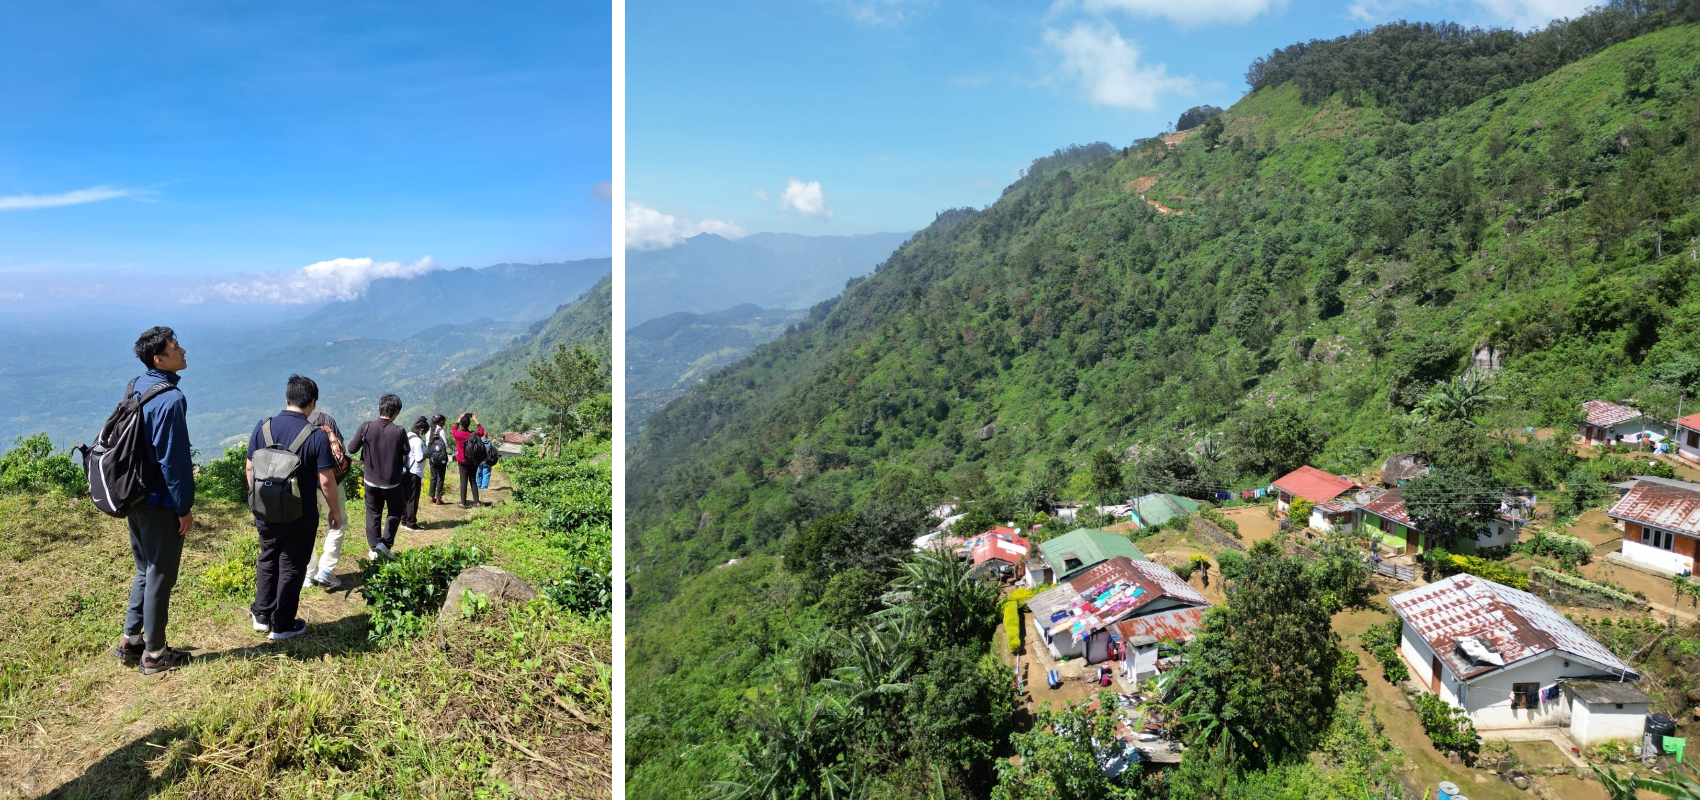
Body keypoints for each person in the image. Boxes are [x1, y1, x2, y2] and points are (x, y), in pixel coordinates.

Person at [114, 327, 196, 675]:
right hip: (160, 500)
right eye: (176, 348)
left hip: (134, 494)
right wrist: (184, 507)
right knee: (160, 574)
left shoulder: (137, 385)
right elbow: (173, 461)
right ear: (159, 358)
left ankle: (131, 642)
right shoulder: (171, 399)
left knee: (145, 569)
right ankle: (156, 654)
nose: (184, 351)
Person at [247, 375, 342, 641]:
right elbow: (325, 480)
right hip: (301, 513)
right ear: (312, 403)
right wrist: (334, 511)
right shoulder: (316, 436)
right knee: (291, 564)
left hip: (264, 510)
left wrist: (259, 500)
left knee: (268, 557)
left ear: (286, 399)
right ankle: (282, 624)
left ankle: (261, 615)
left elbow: (250, 468)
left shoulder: (262, 427)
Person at [347, 394, 411, 560]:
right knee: (396, 510)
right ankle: (385, 544)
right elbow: (407, 451)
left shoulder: (366, 427)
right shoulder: (399, 431)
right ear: (396, 411)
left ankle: (375, 548)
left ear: (380, 408)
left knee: (373, 513)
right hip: (392, 482)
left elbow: (352, 449)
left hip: (370, 480)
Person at [302, 407, 352, 590]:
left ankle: (308, 574)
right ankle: (325, 570)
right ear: (312, 401)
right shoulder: (325, 419)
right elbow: (341, 450)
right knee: (338, 521)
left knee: (307, 527)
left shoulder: (294, 423)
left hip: (304, 484)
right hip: (329, 481)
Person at [453, 412, 485, 508]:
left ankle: (463, 503)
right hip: (472, 461)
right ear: (469, 424)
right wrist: (476, 420)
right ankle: (477, 502)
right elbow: (482, 431)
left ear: (462, 424)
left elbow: (453, 429)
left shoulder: (458, 435)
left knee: (463, 481)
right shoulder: (473, 434)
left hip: (462, 461)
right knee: (473, 480)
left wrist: (459, 418)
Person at [401, 417, 427, 531]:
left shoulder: (407, 436)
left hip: (405, 470)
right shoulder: (417, 441)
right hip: (414, 472)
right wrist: (428, 454)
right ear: (421, 430)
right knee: (413, 498)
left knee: (406, 497)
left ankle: (403, 520)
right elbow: (419, 458)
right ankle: (411, 523)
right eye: (424, 432)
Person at [426, 414, 451, 505]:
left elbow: (428, 443)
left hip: (432, 457)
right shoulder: (441, 431)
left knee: (433, 477)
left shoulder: (429, 431)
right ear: (441, 422)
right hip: (441, 458)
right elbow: (445, 445)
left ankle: (431, 497)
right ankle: (439, 499)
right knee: (440, 477)